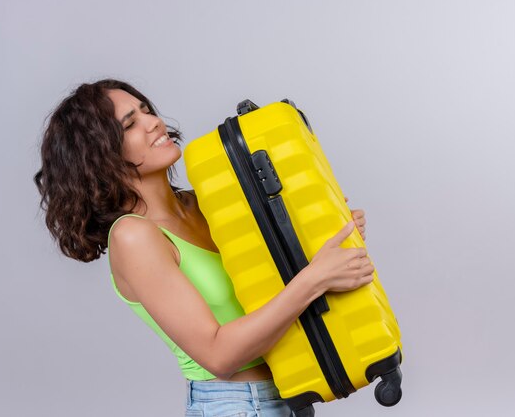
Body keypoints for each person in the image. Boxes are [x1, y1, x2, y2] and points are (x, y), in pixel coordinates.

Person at [34, 79, 373, 416]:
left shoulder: (204, 204)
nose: (154, 122)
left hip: (293, 391)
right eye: (130, 124)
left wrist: (331, 236)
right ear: (100, 156)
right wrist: (316, 278)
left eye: (146, 110)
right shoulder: (133, 237)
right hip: (238, 406)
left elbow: (275, 286)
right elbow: (219, 356)